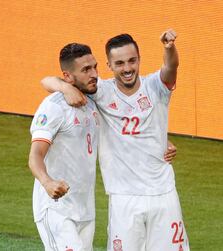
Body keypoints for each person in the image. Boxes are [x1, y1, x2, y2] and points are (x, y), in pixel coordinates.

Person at [42, 29, 189, 251]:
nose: (127, 68)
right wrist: (64, 88)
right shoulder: (101, 91)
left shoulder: (156, 88)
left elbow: (171, 67)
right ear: (109, 66)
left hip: (163, 194)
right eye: (119, 63)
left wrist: (169, 48)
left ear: (140, 60)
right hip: (123, 198)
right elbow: (47, 80)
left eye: (132, 61)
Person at [28, 43, 100, 251]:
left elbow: (47, 80)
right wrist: (47, 182)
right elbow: (35, 155)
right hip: (56, 208)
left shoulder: (93, 99)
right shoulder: (54, 107)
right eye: (86, 70)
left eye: (95, 67)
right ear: (67, 76)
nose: (94, 74)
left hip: (85, 209)